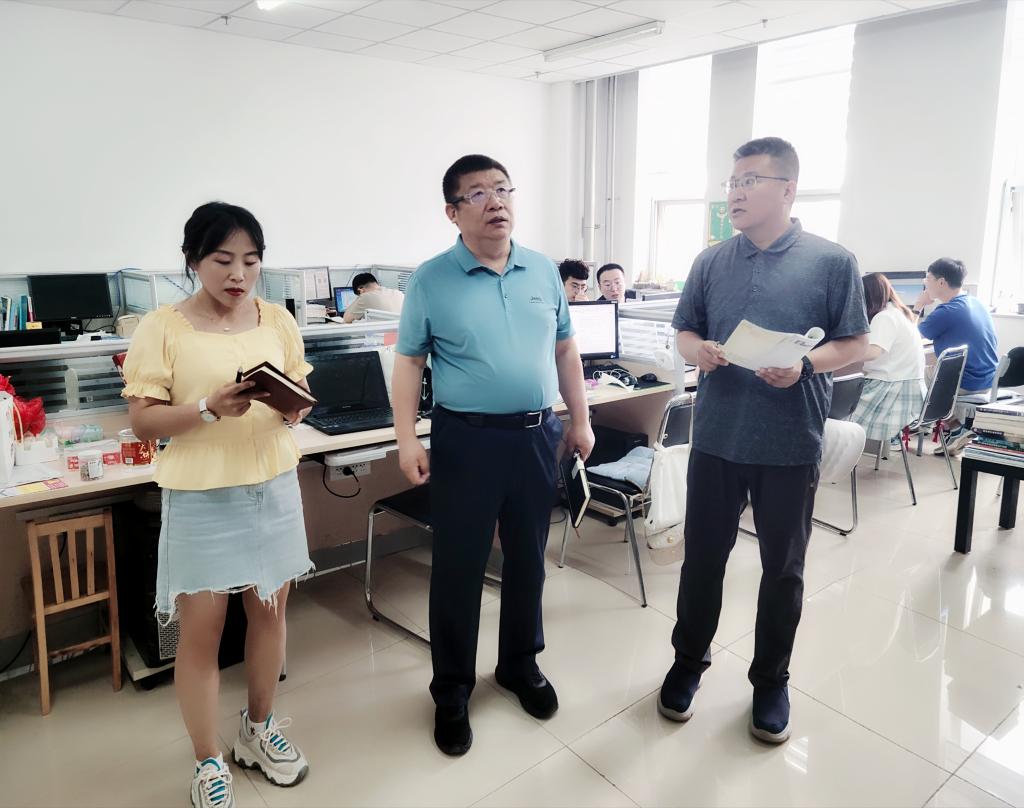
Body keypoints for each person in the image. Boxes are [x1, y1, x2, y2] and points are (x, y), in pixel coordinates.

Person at [659, 137, 868, 744]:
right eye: (732, 182)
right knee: (702, 559)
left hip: (789, 442)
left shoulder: (832, 262)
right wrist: (698, 350)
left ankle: (771, 680)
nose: (736, 192)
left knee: (783, 569)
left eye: (750, 180)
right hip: (716, 439)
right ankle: (687, 661)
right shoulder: (711, 261)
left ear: (788, 189)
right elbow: (685, 330)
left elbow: (854, 344)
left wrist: (804, 365)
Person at [392, 154, 594, 757]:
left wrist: (580, 419)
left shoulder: (543, 271)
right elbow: (409, 362)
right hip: (467, 439)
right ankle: (452, 689)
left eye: (503, 189)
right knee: (458, 566)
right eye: (478, 193)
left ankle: (519, 665)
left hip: (537, 435)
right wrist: (407, 439)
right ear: (452, 212)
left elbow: (566, 350)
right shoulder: (431, 279)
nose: (496, 202)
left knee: (529, 558)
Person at [122, 202, 313, 808]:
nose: (239, 274)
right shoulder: (163, 327)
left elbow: (301, 390)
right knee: (202, 635)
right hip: (202, 494)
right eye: (223, 260)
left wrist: (293, 405)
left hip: (273, 484)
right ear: (193, 260)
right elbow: (143, 421)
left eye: (251, 261)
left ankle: (258, 729)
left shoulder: (276, 319)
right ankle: (209, 760)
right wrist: (208, 408)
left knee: (271, 616)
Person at [913, 257, 999, 454]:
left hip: (967, 382)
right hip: (987, 378)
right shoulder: (975, 303)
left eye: (928, 278)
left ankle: (952, 427)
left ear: (941, 282)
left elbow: (911, 335)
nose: (925, 283)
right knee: (930, 371)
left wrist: (918, 306)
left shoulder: (948, 310)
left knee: (913, 375)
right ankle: (947, 428)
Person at [851, 273, 926, 447]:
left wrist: (844, 354)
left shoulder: (884, 317)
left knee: (836, 409)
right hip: (907, 388)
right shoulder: (900, 313)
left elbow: (873, 352)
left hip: (890, 390)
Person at [341, 271, 405, 323]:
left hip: (381, 334)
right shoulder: (399, 293)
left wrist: (360, 296)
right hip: (400, 333)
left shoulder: (365, 297)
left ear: (360, 289)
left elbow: (346, 319)